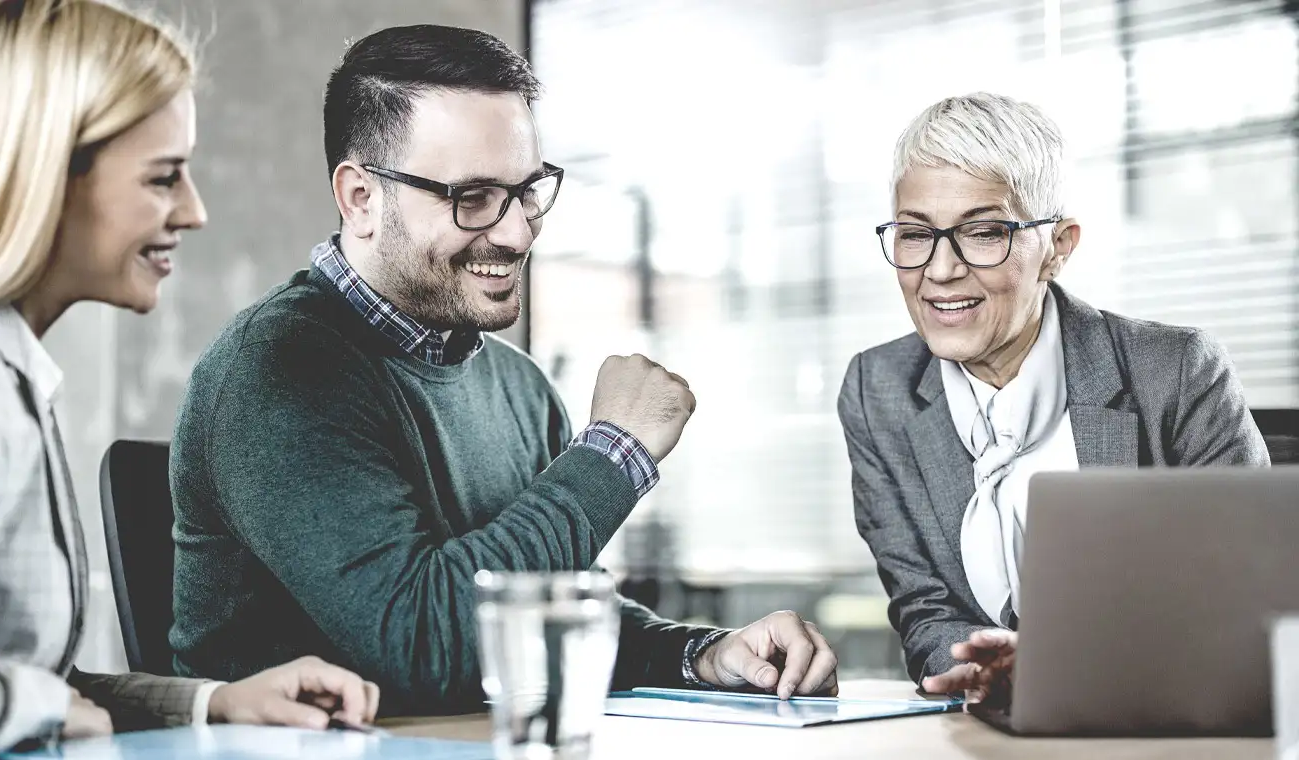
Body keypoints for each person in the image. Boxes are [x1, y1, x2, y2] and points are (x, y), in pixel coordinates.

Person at [168, 24, 838, 716]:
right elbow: (425, 645)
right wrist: (616, 453)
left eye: (528, 191)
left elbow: (544, 623)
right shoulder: (279, 368)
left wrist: (702, 655)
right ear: (361, 199)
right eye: (474, 198)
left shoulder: (518, 387)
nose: (517, 232)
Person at [0, 2, 378, 758]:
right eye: (164, 177)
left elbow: (18, 683)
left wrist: (216, 704)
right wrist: (47, 706)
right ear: (38, 176)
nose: (194, 211)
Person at [837, 92, 1270, 704]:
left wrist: (1061, 668)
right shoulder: (876, 388)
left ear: (1059, 248)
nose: (939, 270)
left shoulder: (1175, 372)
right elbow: (924, 606)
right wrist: (983, 673)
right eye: (915, 235)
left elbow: (1246, 603)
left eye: (982, 233)